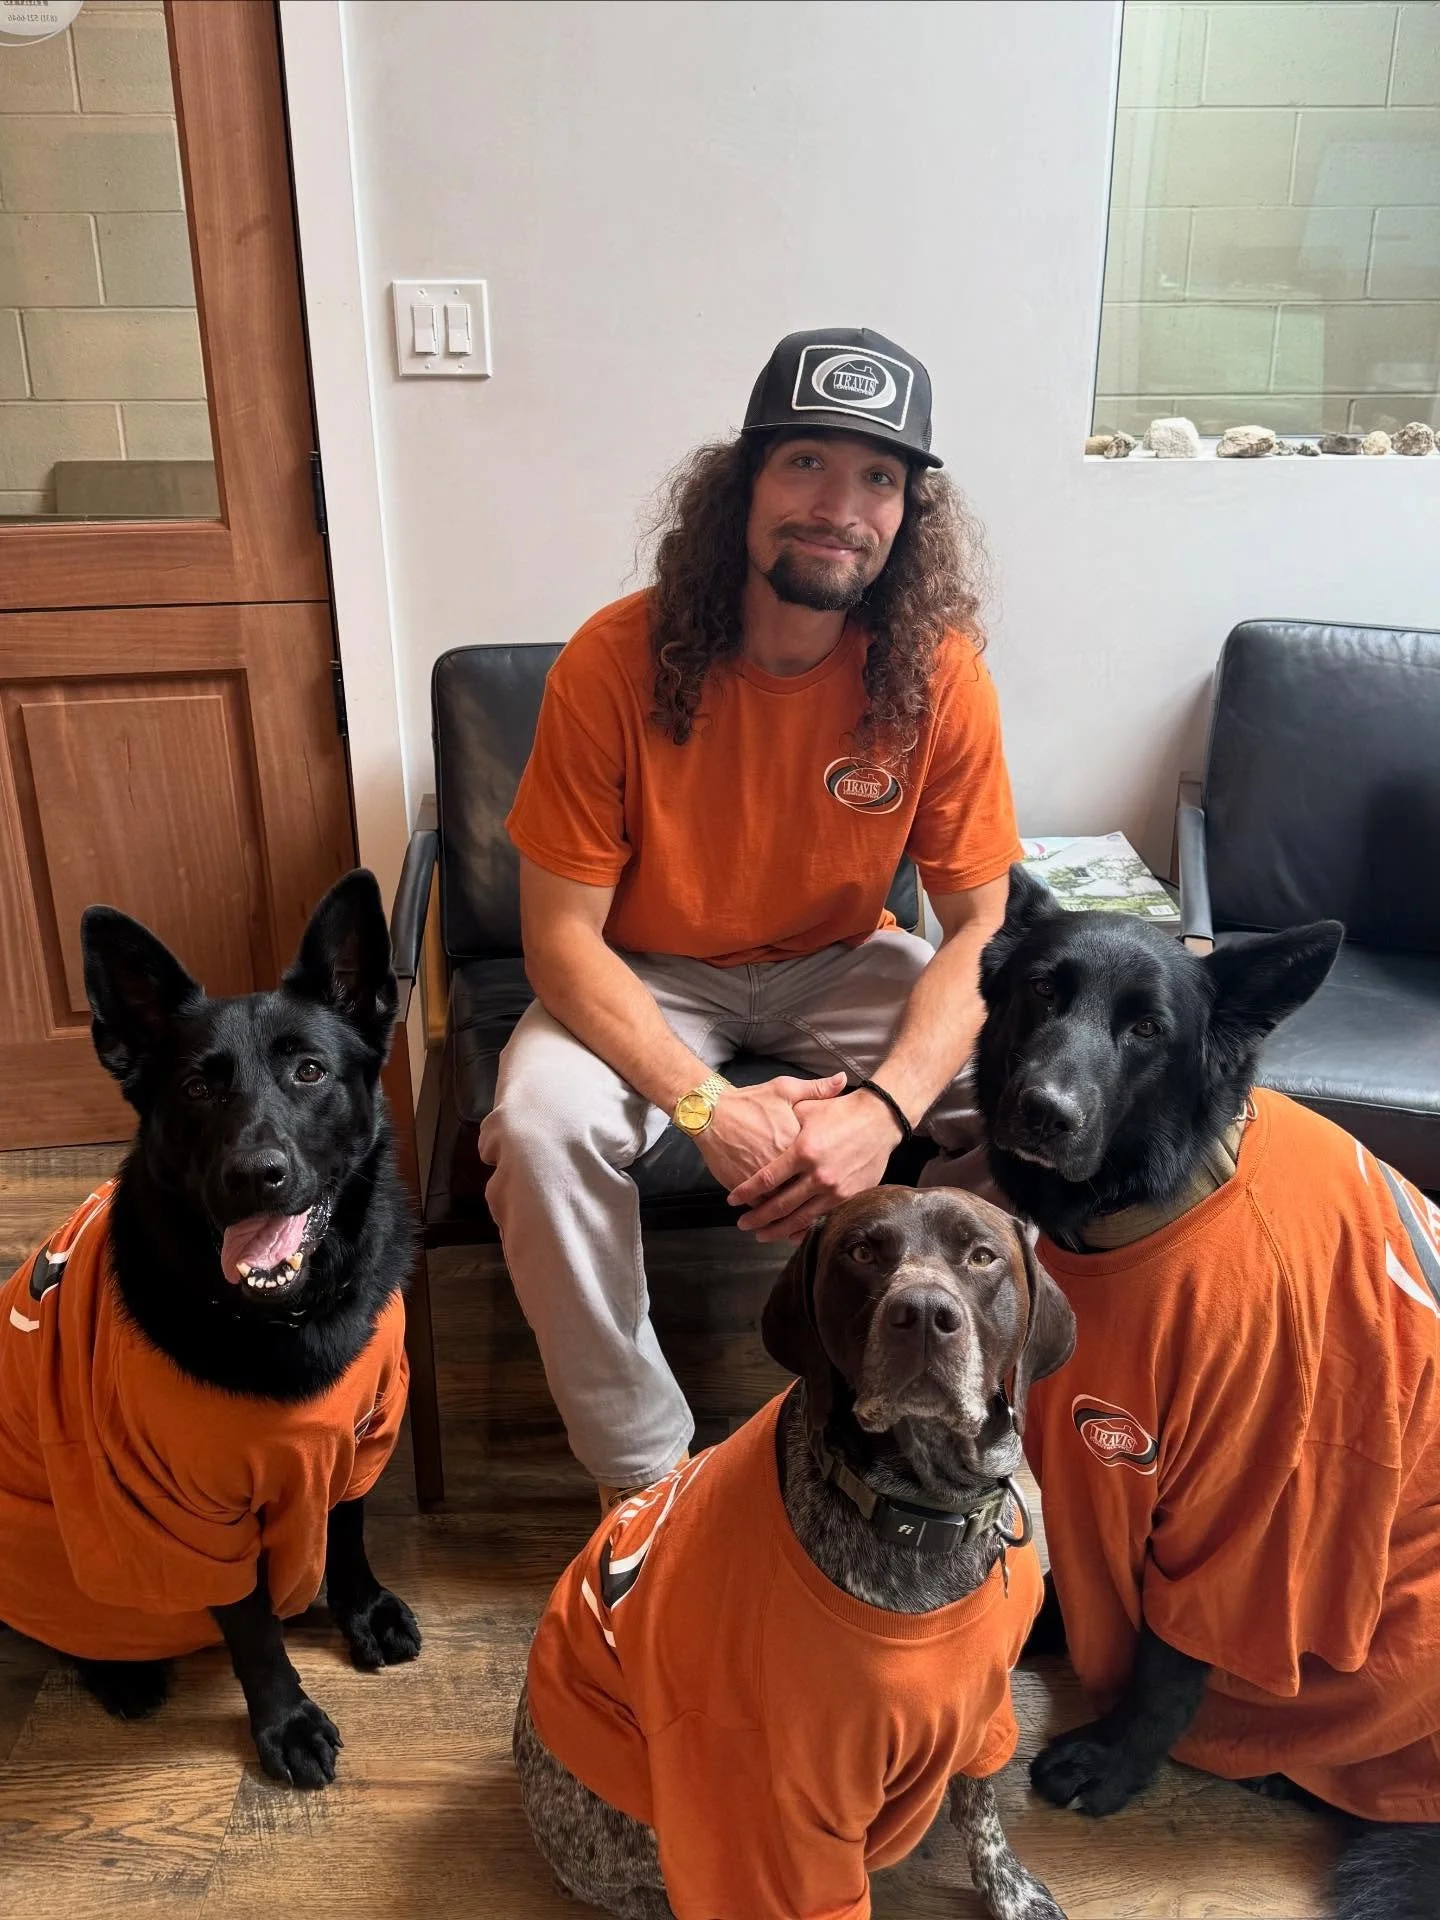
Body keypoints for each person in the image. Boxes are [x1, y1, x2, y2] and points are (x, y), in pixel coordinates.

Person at [479, 326, 1022, 1506]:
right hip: (647, 970)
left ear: (909, 516)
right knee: (537, 1127)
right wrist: (707, 1106)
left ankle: (982, 1410)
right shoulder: (612, 661)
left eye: (879, 477)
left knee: (1041, 1092)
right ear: (743, 487)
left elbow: (983, 927)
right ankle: (643, 1477)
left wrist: (884, 1112)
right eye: (807, 465)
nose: (840, 506)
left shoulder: (940, 671)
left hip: (843, 961)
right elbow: (560, 938)